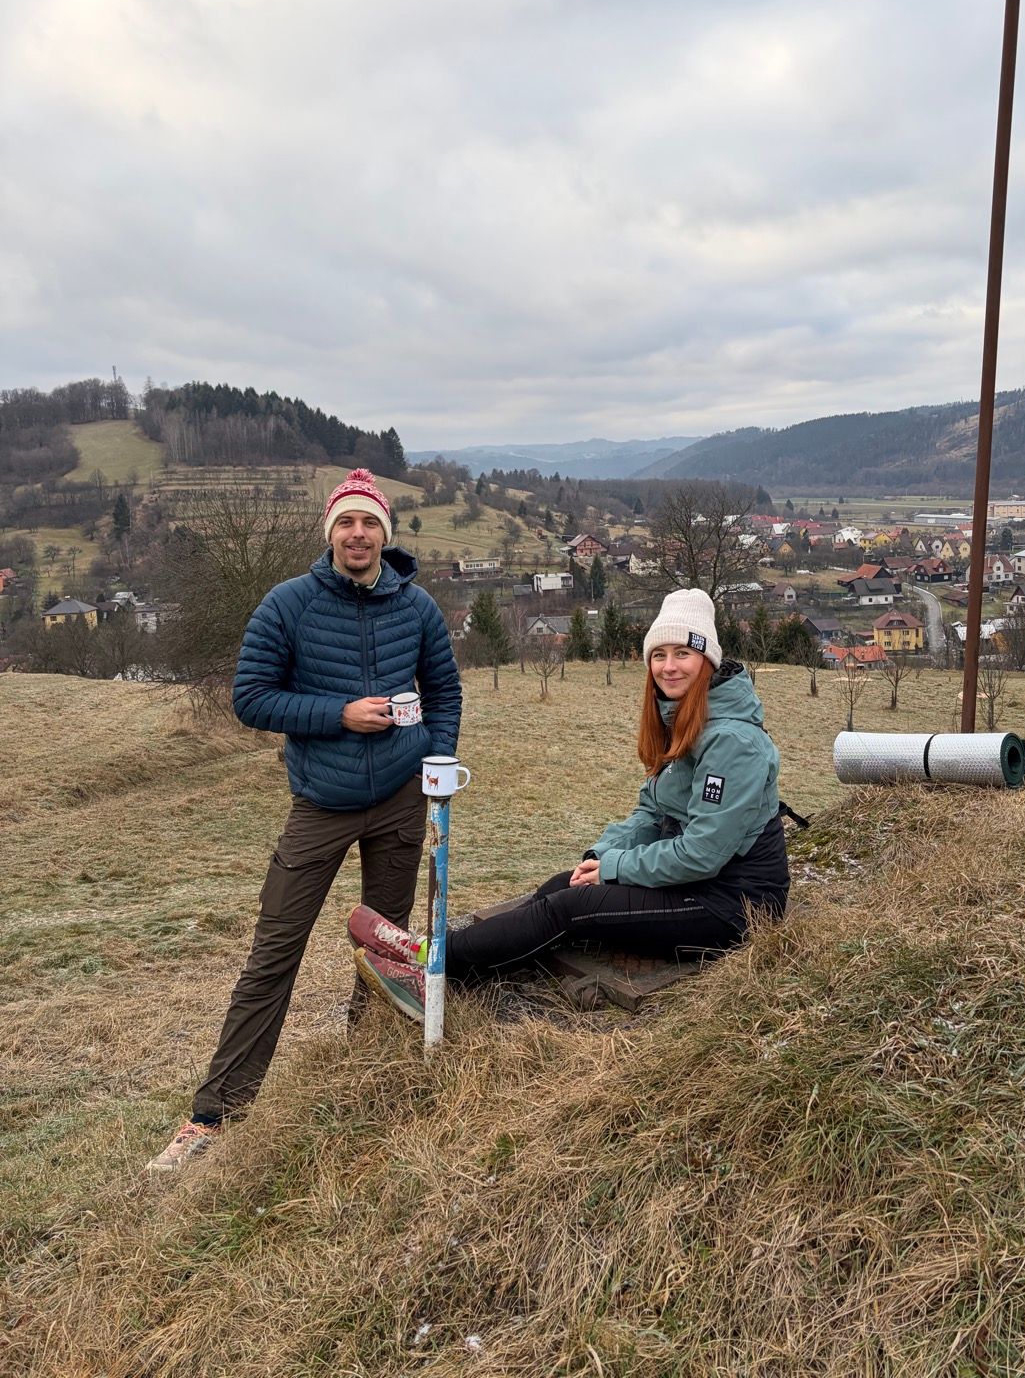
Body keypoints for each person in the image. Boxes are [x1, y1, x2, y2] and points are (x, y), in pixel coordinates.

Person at [148, 467, 462, 1170]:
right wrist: (338, 714)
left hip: (401, 801)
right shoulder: (287, 604)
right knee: (274, 952)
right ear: (331, 533)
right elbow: (252, 697)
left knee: (386, 948)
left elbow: (444, 689)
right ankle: (214, 1115)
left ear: (385, 533)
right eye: (346, 522)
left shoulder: (417, 607)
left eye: (370, 522)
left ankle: (365, 1071)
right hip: (321, 802)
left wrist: (436, 763)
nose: (358, 534)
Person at [348, 589, 787, 1022]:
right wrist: (601, 854)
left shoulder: (733, 742)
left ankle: (432, 965)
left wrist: (615, 868)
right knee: (561, 887)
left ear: (707, 661)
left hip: (733, 904)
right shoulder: (684, 716)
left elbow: (702, 854)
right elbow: (652, 812)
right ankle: (440, 960)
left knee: (570, 910)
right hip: (697, 882)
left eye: (682, 654)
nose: (668, 666)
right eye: (659, 655)